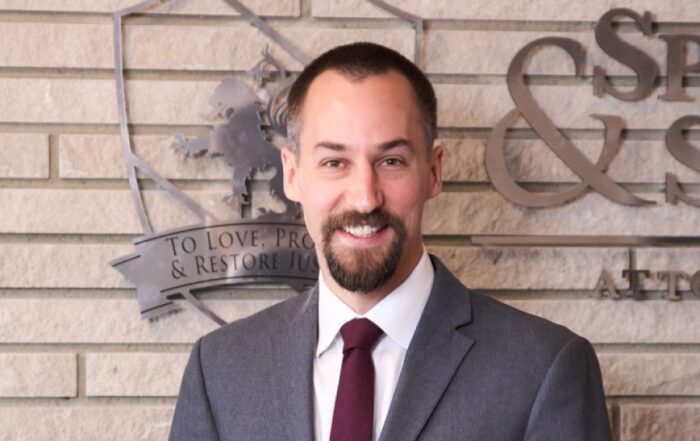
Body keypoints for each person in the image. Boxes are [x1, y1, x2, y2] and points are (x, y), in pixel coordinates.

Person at [168, 42, 612, 441]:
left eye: (392, 161)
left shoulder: (543, 368)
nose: (365, 198)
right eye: (334, 162)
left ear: (433, 171)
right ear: (292, 175)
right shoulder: (220, 370)